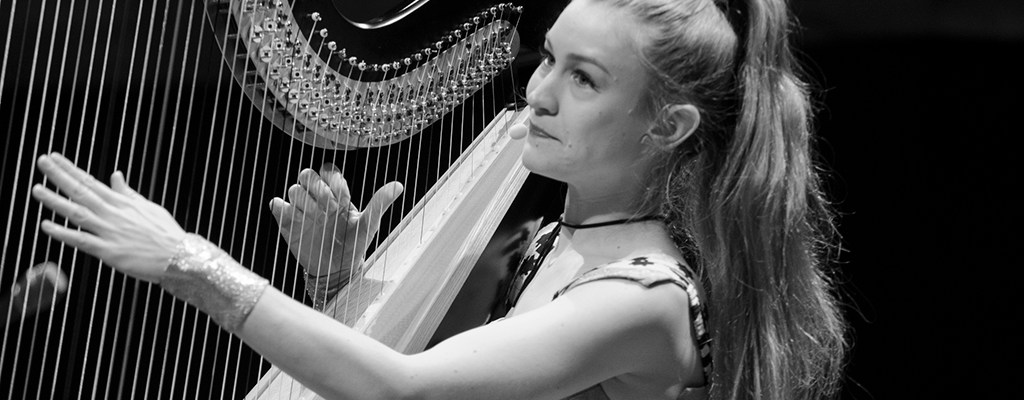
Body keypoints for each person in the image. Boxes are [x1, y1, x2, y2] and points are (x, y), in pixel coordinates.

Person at [30, 0, 847, 398]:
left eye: (584, 78)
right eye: (548, 58)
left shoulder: (645, 297)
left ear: (667, 125)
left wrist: (189, 261)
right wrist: (336, 286)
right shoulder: (536, 239)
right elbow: (409, 367)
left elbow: (401, 391)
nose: (538, 92)